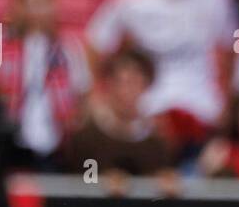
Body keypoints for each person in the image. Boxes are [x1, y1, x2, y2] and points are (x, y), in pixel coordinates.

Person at [85, 0, 238, 153]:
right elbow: (95, 44)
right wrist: (101, 93)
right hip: (147, 108)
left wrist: (227, 98)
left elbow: (232, 49)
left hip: (202, 106)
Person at [0, 0, 91, 168]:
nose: (36, 6)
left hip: (55, 146)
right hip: (6, 145)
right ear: (15, 4)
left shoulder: (68, 50)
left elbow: (83, 98)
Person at [62, 47, 178, 196]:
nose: (127, 90)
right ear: (109, 85)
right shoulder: (88, 135)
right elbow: (84, 177)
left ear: (145, 86)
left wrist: (164, 181)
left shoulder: (156, 140)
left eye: (134, 82)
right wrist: (101, 182)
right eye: (121, 82)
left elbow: (160, 173)